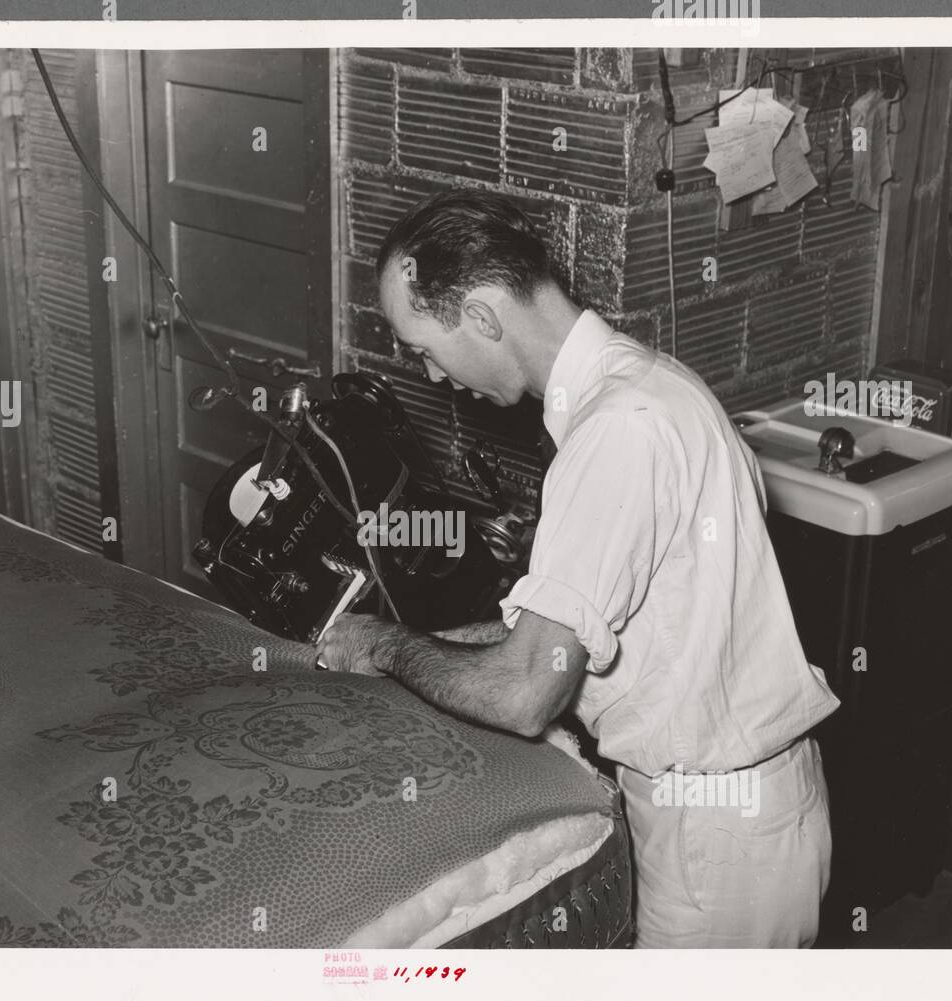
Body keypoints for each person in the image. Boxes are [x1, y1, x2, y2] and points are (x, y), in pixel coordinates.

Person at [317, 189, 839, 948]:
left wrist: (385, 647)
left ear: (485, 317)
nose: (430, 376)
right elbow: (583, 633)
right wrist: (424, 646)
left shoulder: (612, 434)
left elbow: (530, 691)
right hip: (748, 814)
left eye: (425, 348)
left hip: (716, 838)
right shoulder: (651, 386)